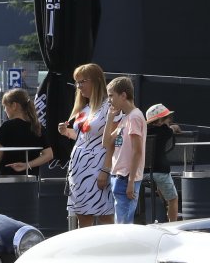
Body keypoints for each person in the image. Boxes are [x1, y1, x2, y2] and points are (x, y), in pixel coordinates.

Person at [58, 63, 114, 228]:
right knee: (82, 216)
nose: (79, 86)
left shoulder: (109, 106)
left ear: (96, 81)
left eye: (83, 81)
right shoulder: (85, 108)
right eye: (77, 82)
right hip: (79, 168)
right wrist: (66, 132)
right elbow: (84, 137)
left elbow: (113, 141)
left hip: (98, 167)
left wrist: (105, 170)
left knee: (105, 216)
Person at [105, 77, 146, 224]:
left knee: (124, 224)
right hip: (118, 175)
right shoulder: (126, 118)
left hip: (126, 177)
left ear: (123, 95)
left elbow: (137, 151)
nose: (109, 100)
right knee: (120, 222)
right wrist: (110, 119)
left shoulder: (134, 117)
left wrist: (131, 181)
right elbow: (106, 143)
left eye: (111, 95)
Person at [0, 88, 52, 176]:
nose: (4, 110)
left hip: (8, 178)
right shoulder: (37, 127)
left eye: (5, 106)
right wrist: (27, 165)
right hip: (31, 179)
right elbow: (49, 155)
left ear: (14, 105)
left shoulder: (7, 126)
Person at [145, 103, 180, 222]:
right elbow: (173, 129)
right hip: (160, 171)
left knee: (158, 184)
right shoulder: (165, 131)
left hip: (143, 173)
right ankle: (172, 224)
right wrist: (174, 127)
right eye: (167, 118)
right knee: (173, 199)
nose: (169, 120)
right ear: (159, 121)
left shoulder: (142, 131)